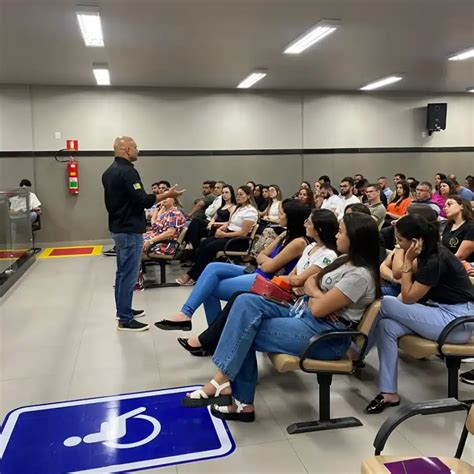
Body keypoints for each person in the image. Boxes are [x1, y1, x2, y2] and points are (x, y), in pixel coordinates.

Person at [180, 213, 380, 421]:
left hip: (327, 336)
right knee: (245, 301)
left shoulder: (358, 275)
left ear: (355, 237)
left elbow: (316, 300)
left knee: (245, 330)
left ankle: (237, 397)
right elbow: (310, 283)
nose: (336, 236)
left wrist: (315, 294)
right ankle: (226, 384)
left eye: (341, 232)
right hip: (307, 315)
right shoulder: (343, 261)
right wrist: (316, 294)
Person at [178, 208, 341, 356]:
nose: (306, 224)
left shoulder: (327, 254)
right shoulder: (309, 246)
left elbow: (297, 278)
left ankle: (209, 338)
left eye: (309, 222)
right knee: (218, 278)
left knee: (230, 296)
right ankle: (201, 329)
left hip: (291, 299)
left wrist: (293, 280)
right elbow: (284, 270)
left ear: (319, 229)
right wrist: (291, 280)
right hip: (280, 287)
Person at [366, 214, 474, 414]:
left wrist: (406, 260)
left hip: (457, 323)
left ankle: (358, 353)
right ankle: (389, 392)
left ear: (414, 242)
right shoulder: (427, 253)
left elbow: (407, 298)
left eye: (400, 240)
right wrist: (405, 256)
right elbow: (397, 274)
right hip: (440, 314)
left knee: (387, 303)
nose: (397, 244)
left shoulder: (436, 259)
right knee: (386, 326)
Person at [156, 200, 313, 330]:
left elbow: (269, 266)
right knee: (212, 267)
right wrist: (264, 260)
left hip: (267, 282)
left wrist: (264, 260)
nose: (278, 215)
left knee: (209, 289)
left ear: (292, 217)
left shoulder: (298, 242)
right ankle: (188, 315)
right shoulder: (286, 234)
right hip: (258, 272)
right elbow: (261, 255)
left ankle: (209, 333)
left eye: (281, 213)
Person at [102, 136, 184, 331]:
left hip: (118, 227)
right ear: (127, 150)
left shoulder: (108, 172)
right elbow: (144, 200)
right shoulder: (128, 172)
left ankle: (124, 310)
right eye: (135, 147)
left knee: (123, 273)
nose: (138, 150)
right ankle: (125, 319)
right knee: (129, 274)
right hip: (129, 230)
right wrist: (167, 195)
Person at [176, 185, 259, 286]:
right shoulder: (239, 208)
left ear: (249, 196)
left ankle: (194, 275)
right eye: (237, 194)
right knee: (203, 243)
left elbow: (243, 233)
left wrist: (224, 234)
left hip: (238, 241)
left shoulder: (250, 211)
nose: (238, 197)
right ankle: (195, 273)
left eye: (241, 194)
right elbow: (229, 223)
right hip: (229, 235)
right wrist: (221, 228)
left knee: (208, 248)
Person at [442, 196, 474, 262]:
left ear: (461, 206)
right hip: (447, 263)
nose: (445, 208)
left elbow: (460, 256)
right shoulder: (449, 226)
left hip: (464, 267)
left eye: (449, 204)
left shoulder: (471, 227)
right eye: (445, 206)